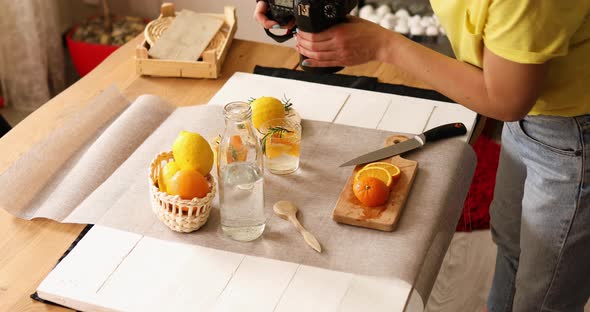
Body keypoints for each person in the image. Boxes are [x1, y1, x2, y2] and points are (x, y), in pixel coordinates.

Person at [254, 1, 590, 311]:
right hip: (534, 112)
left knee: (544, 294)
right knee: (513, 244)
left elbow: (505, 101)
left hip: (573, 134)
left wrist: (384, 45)